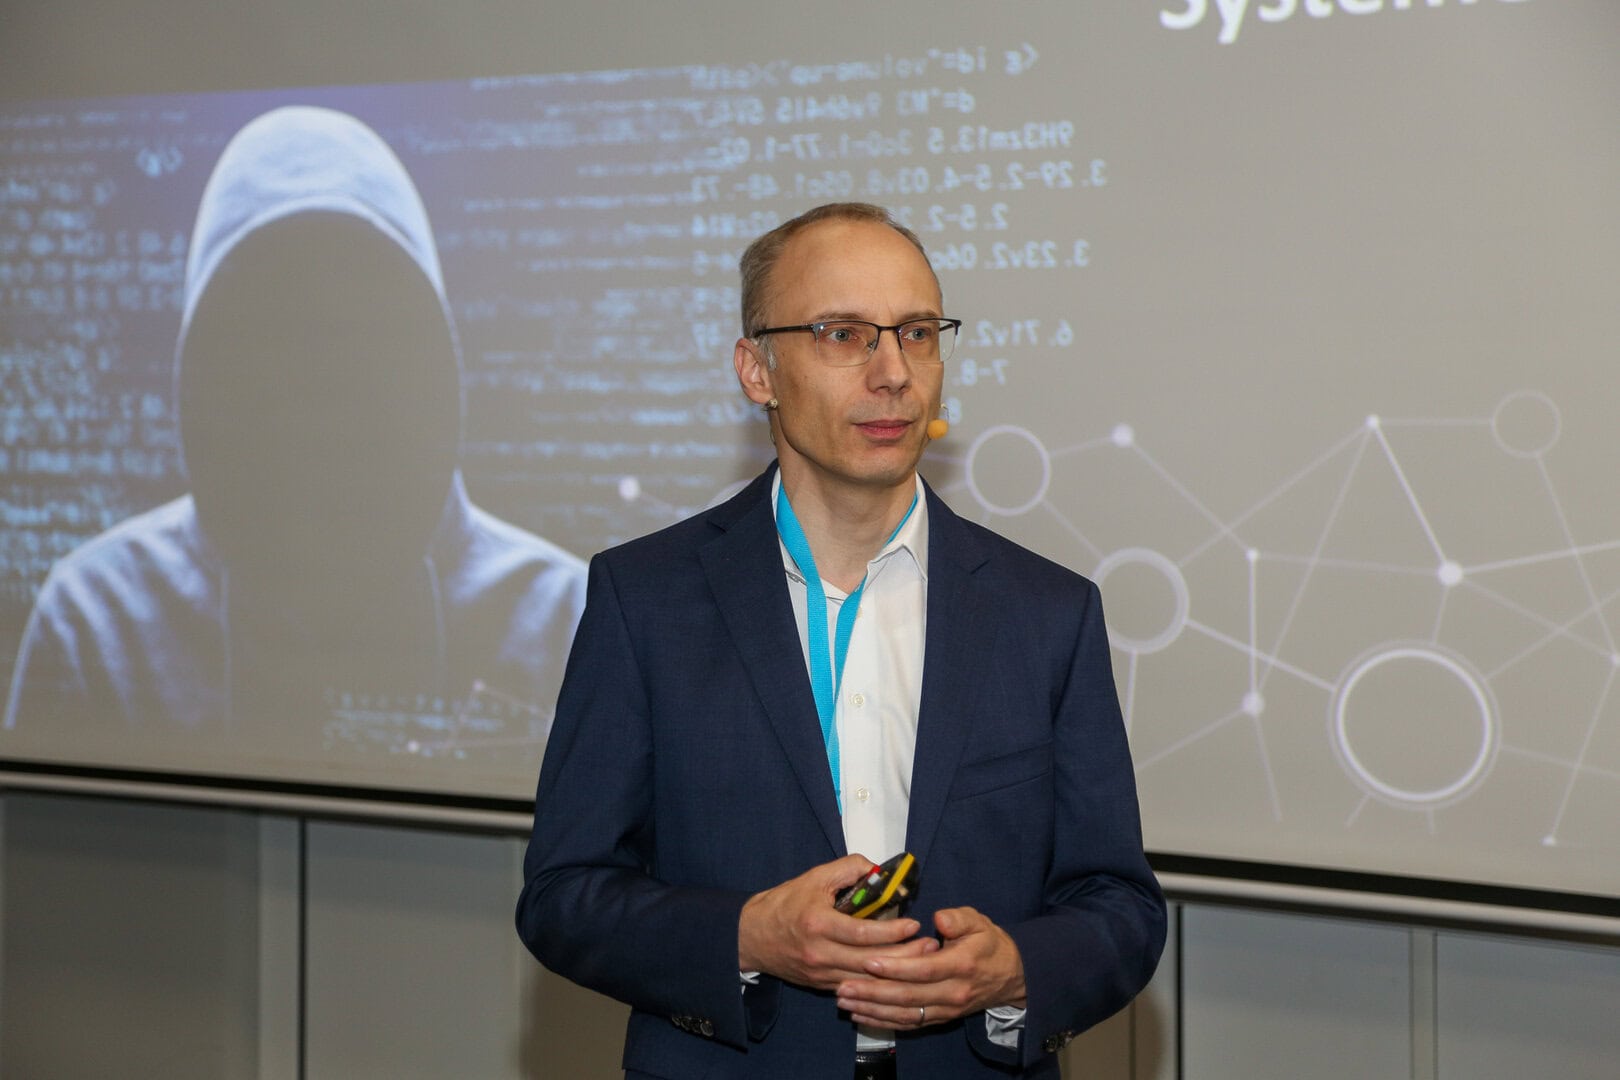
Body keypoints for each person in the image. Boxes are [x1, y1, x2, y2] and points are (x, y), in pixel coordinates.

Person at [516, 202, 1164, 1078]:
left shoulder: (1046, 612)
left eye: (918, 333)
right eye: (843, 335)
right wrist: (746, 936)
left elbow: (1120, 907)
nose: (893, 373)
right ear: (758, 370)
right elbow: (564, 896)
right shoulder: (647, 600)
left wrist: (1016, 969)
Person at [3, 106, 586, 767]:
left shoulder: (565, 622)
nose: (318, 383)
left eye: (355, 330)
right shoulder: (95, 623)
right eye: (272, 334)